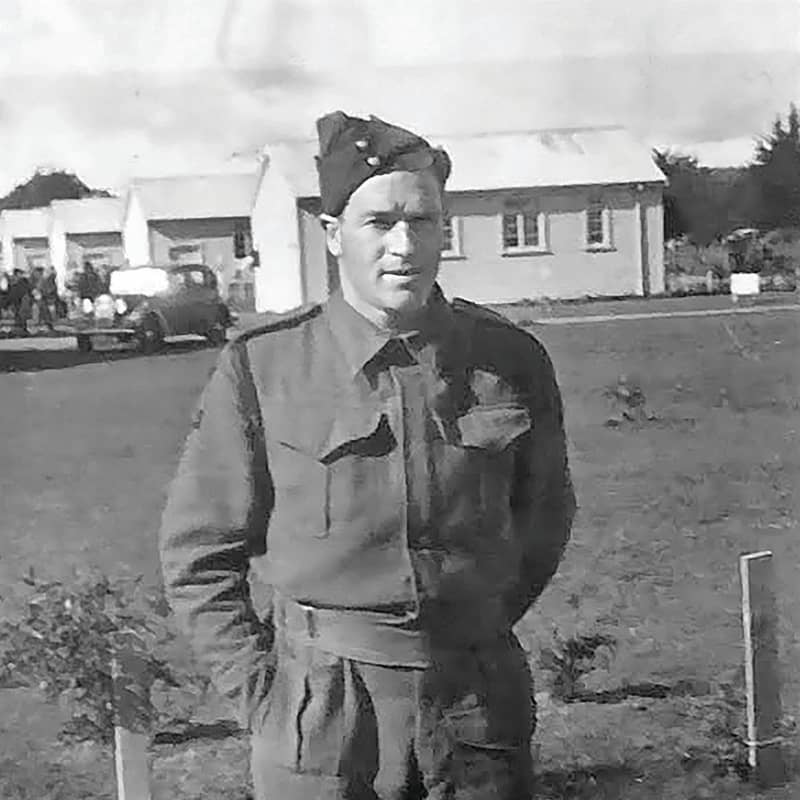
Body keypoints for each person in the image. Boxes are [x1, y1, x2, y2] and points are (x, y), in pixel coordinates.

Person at [159, 110, 576, 800]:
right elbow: (197, 556)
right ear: (333, 235)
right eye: (380, 223)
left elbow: (545, 518)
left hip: (475, 711)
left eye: (424, 221)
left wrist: (475, 624)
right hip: (322, 714)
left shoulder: (508, 359)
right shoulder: (265, 366)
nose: (405, 246)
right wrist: (263, 699)